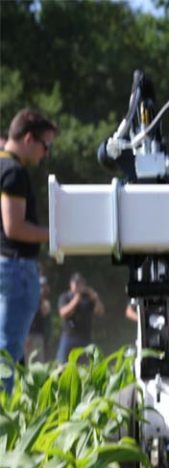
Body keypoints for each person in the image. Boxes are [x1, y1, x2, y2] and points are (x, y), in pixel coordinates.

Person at [0, 109, 58, 391]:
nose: (45, 153)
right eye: (44, 145)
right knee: (8, 349)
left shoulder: (2, 164)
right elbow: (15, 228)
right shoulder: (14, 173)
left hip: (6, 266)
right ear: (27, 138)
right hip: (16, 267)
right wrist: (54, 234)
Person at [56, 273, 105, 363]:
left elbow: (100, 312)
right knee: (62, 363)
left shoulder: (88, 298)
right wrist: (76, 300)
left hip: (85, 337)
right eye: (76, 283)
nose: (78, 285)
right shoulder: (65, 297)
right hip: (69, 335)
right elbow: (63, 313)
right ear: (71, 284)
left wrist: (95, 298)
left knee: (86, 364)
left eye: (80, 283)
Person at [25, 275, 51, 362]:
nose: (42, 288)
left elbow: (45, 312)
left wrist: (42, 297)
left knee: (40, 362)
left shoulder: (44, 301)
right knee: (27, 362)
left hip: (39, 335)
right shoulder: (28, 298)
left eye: (44, 286)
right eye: (40, 286)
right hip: (29, 335)